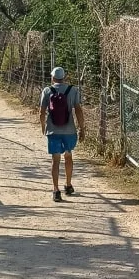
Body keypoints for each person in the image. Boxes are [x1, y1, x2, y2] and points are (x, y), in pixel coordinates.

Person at [39, 66, 85, 202]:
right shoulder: (73, 90)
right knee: (68, 156)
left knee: (55, 160)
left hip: (53, 130)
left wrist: (43, 126)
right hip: (69, 130)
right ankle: (68, 185)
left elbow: (41, 111)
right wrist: (82, 128)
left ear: (52, 77)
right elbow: (78, 110)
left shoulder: (47, 91)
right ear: (64, 77)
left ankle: (56, 190)